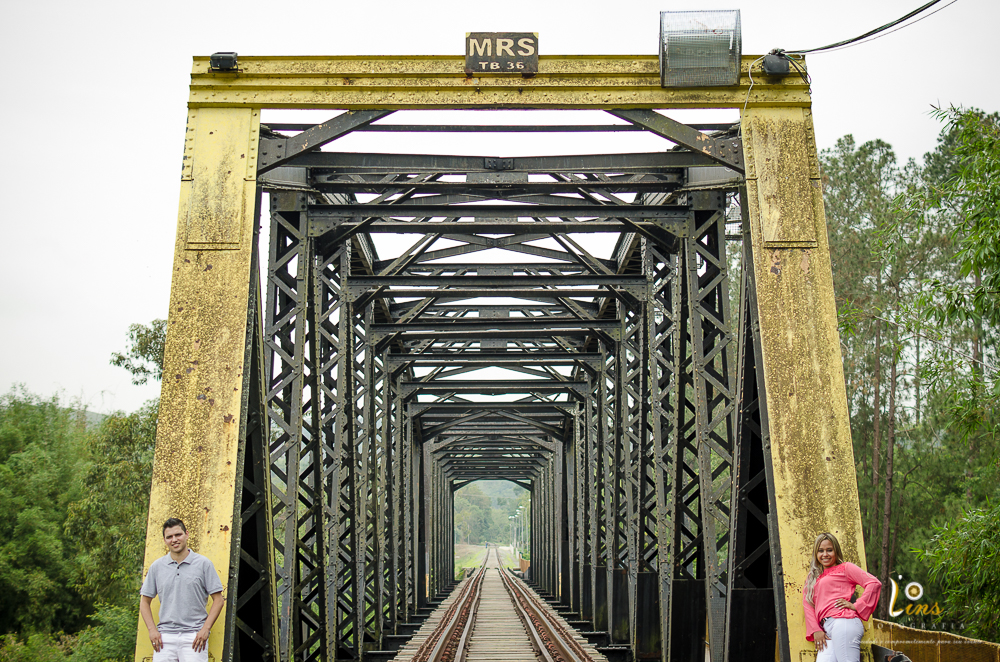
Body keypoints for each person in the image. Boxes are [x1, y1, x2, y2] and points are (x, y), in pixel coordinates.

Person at [139, 518, 225, 661]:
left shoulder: (203, 564)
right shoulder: (157, 567)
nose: (174, 540)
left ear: (187, 534)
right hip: (164, 638)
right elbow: (144, 602)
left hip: (194, 637)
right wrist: (152, 630)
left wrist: (205, 629)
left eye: (178, 535)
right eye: (169, 537)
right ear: (164, 540)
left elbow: (219, 600)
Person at [802, 532, 882, 662]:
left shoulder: (845, 568)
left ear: (836, 551)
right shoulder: (812, 578)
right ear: (816, 554)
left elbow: (874, 583)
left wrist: (856, 605)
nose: (825, 554)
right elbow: (807, 604)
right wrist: (816, 629)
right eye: (821, 551)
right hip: (826, 630)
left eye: (829, 550)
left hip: (844, 623)